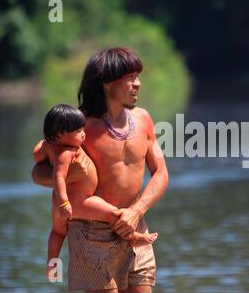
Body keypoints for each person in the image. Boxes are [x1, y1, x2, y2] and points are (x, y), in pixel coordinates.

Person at [32, 47, 169, 293]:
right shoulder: (79, 127)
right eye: (130, 78)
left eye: (138, 77)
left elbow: (161, 173)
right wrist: (65, 175)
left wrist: (136, 211)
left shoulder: (143, 119)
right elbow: (38, 172)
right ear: (107, 83)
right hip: (91, 233)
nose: (137, 84)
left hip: (134, 226)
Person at [32, 104, 158, 281]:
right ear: (60, 134)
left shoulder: (50, 146)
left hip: (64, 203)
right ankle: (132, 237)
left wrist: (47, 144)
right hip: (79, 202)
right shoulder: (66, 154)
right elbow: (59, 178)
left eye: (83, 129)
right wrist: (64, 203)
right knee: (113, 213)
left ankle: (53, 267)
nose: (83, 134)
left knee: (58, 232)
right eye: (78, 131)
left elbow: (36, 154)